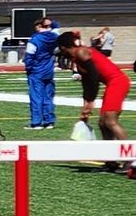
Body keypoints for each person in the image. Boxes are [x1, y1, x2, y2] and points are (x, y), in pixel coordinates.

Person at [57, 31, 134, 176]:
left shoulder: (81, 52)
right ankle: (110, 161)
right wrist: (86, 104)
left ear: (63, 47)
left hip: (117, 82)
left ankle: (131, 158)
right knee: (102, 123)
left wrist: (91, 101)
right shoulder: (77, 58)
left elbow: (93, 76)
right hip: (112, 83)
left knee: (110, 121)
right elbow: (87, 83)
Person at [24, 18, 59, 130]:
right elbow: (57, 26)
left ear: (39, 26)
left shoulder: (35, 39)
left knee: (36, 97)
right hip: (49, 70)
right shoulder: (54, 37)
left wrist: (29, 68)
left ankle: (36, 122)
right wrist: (50, 23)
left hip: (36, 71)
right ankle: (49, 121)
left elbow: (29, 56)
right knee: (48, 97)